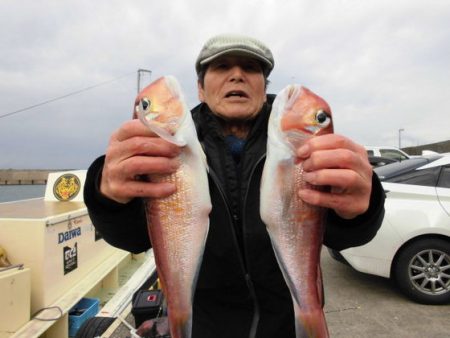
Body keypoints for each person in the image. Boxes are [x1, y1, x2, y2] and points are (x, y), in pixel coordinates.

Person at [84, 34, 385, 338]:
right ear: (200, 89)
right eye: (222, 66)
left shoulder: (304, 148)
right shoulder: (158, 150)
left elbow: (341, 235)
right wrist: (106, 197)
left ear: (263, 86)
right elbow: (132, 239)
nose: (237, 75)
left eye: (251, 68)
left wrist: (362, 207)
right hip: (206, 326)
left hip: (282, 326)